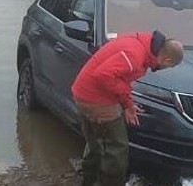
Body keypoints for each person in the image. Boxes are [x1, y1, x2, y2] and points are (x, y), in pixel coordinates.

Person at [70, 31, 185, 186]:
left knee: (96, 143)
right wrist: (127, 103)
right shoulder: (135, 56)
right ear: (167, 59)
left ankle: (88, 180)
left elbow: (117, 76)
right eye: (168, 66)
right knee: (117, 147)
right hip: (96, 99)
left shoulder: (141, 44)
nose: (164, 68)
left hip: (84, 92)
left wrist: (128, 104)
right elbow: (104, 75)